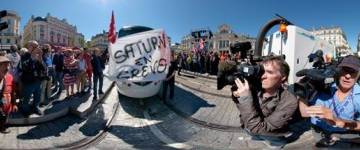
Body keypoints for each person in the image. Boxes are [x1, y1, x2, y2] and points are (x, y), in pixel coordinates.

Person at [231, 56, 299, 148]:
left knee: (269, 136)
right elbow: (240, 105)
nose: (263, 76)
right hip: (250, 127)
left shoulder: (290, 100)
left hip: (270, 132)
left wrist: (245, 98)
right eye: (262, 72)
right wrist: (236, 94)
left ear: (283, 77)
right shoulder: (254, 87)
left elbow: (261, 128)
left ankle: (279, 142)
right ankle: (258, 137)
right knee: (252, 131)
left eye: (270, 72)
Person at [300, 55, 360, 147]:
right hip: (318, 133)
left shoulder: (358, 96)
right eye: (345, 70)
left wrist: (337, 121)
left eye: (353, 72)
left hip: (343, 138)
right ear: (339, 71)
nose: (347, 76)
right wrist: (302, 91)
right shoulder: (323, 85)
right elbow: (305, 113)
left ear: (358, 75)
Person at [18, 40, 46, 116]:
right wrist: (32, 56)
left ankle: (35, 107)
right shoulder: (24, 55)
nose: (36, 48)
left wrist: (40, 58)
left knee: (37, 96)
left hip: (37, 80)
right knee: (27, 96)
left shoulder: (38, 56)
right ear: (29, 47)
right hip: (29, 81)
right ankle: (25, 109)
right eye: (34, 46)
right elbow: (25, 67)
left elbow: (43, 69)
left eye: (37, 46)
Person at [0, 54, 17, 134]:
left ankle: (2, 128)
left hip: (7, 106)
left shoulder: (10, 77)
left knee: (5, 118)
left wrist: (14, 104)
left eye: (8, 65)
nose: (7, 68)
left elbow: (13, 92)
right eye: (4, 66)